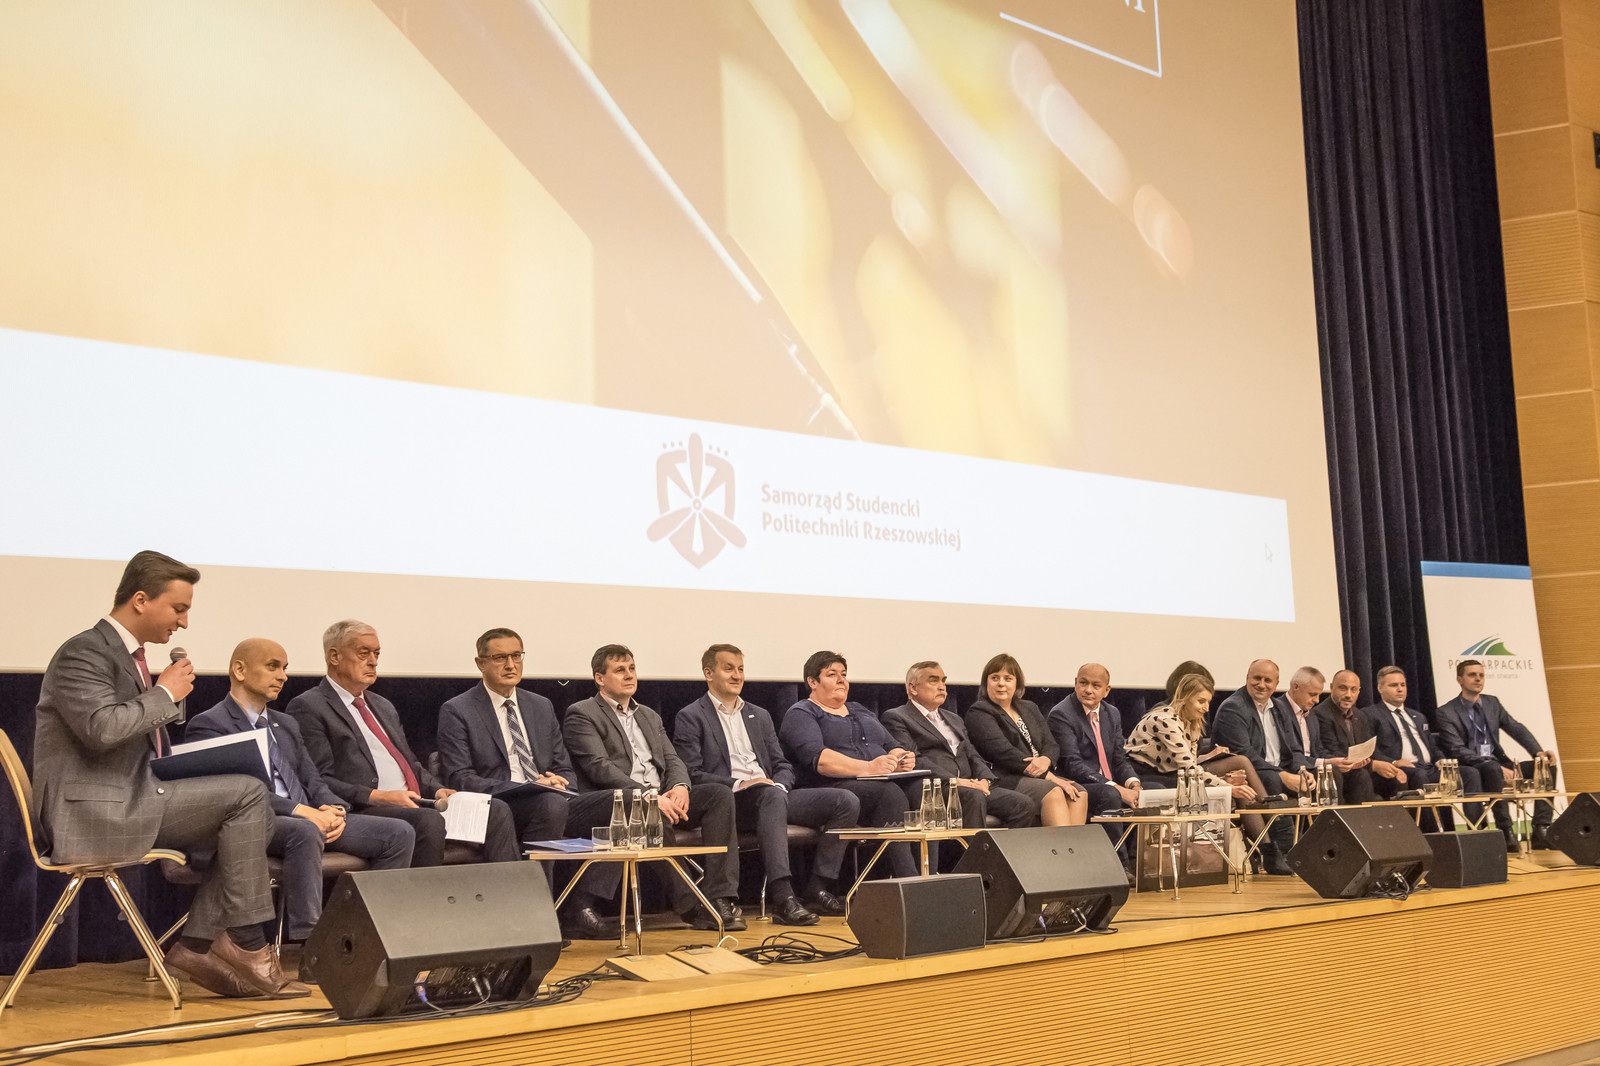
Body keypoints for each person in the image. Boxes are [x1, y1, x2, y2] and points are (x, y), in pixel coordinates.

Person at [33, 551, 303, 999]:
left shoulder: (125, 656)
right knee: (249, 797)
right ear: (141, 600)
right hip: (91, 813)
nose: (184, 622)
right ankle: (243, 943)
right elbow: (101, 730)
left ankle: (198, 945)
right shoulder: (83, 651)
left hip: (130, 795)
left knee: (250, 811)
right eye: (178, 609)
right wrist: (163, 693)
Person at [186, 639, 415, 960]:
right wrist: (303, 812)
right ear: (239, 670)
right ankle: (315, 948)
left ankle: (365, 938)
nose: (283, 676)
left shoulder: (286, 724)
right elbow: (234, 793)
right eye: (272, 666)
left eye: (285, 668)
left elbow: (312, 779)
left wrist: (333, 808)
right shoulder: (210, 724)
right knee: (303, 831)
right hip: (253, 825)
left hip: (308, 818)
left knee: (398, 834)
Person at [285, 620, 521, 867]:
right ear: (334, 656)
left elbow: (410, 764)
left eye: (376, 654)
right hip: (364, 808)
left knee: (495, 811)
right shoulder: (309, 706)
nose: (373, 662)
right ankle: (425, 893)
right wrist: (377, 796)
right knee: (428, 821)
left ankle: (510, 892)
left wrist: (438, 789)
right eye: (364, 653)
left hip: (414, 801)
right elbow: (317, 779)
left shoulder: (382, 705)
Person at [434, 627, 622, 938]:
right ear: (481, 663)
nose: (511, 664)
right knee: (549, 804)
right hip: (502, 804)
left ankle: (581, 906)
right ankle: (538, 920)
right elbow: (460, 777)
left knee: (623, 801)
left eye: (516, 656)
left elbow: (565, 768)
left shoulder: (540, 706)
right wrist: (526, 788)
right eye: (500, 658)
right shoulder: (458, 710)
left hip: (550, 801)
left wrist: (558, 780)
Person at [563, 644, 744, 932]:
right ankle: (691, 905)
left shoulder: (648, 715)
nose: (629, 675)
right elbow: (598, 767)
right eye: (619, 670)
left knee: (718, 795)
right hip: (614, 800)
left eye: (632, 669)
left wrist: (680, 786)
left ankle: (719, 897)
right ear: (599, 678)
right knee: (646, 810)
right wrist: (649, 795)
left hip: (660, 795)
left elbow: (672, 759)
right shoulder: (582, 713)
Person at [673, 644, 857, 925]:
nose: (737, 676)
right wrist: (741, 783)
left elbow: (782, 764)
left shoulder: (759, 715)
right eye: (728, 669)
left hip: (772, 795)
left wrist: (780, 785)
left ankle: (817, 887)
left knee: (845, 801)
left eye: (740, 669)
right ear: (708, 674)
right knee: (768, 796)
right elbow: (693, 774)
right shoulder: (691, 715)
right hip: (730, 801)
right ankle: (783, 896)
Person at [1126, 673, 1288, 874]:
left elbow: (1190, 764)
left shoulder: (1192, 722)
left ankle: (1269, 847)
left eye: (1208, 702)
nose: (1206, 708)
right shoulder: (1164, 720)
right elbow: (1189, 769)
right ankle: (1271, 837)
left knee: (1239, 768)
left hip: (1173, 774)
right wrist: (1226, 787)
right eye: (1201, 701)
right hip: (1142, 774)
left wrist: (1221, 779)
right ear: (1185, 698)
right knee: (1236, 782)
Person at [778, 650, 920, 879]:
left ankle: (930, 872)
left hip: (875, 783)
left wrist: (901, 758)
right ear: (812, 682)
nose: (841, 680)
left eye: (843, 674)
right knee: (889, 794)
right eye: (831, 674)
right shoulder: (802, 713)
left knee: (921, 789)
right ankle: (909, 879)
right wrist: (869, 768)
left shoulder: (859, 710)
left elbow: (891, 744)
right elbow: (820, 760)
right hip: (827, 787)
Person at [882, 661, 1037, 840]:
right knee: (974, 797)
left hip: (970, 785)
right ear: (913, 688)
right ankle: (973, 857)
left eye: (943, 681)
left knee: (1023, 804)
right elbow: (915, 759)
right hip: (936, 788)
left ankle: (1001, 857)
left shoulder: (954, 718)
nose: (942, 686)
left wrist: (985, 780)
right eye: (933, 681)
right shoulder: (897, 717)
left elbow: (972, 754)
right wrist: (957, 781)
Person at [1436, 659, 1560, 848]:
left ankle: (1541, 828)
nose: (1478, 679)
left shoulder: (1491, 702)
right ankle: (1505, 830)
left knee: (1546, 767)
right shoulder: (1446, 712)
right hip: (1473, 767)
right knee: (1493, 768)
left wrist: (1538, 753)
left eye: (1481, 675)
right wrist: (1496, 767)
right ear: (1459, 679)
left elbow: (1516, 728)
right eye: (1472, 675)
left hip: (1499, 762)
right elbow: (1456, 749)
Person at [962, 653, 1088, 827]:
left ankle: (1072, 845)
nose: (1001, 683)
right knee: (1054, 792)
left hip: (1038, 775)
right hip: (1006, 778)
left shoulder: (1029, 707)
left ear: (1017, 683)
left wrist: (1046, 759)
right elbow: (1005, 753)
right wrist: (1050, 777)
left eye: (1008, 678)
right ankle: (1057, 846)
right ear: (986, 683)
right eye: (995, 678)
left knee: (1079, 794)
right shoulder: (979, 712)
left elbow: (1051, 744)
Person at [1358, 665, 1474, 832]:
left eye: (1402, 685)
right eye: (1393, 685)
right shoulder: (1370, 714)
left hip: (1428, 767)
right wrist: (1394, 762)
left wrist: (1440, 759)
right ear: (1380, 688)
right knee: (1419, 775)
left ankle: (1476, 829)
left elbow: (1432, 747)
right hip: (1402, 769)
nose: (1400, 689)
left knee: (1469, 774)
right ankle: (1431, 834)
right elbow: (1370, 749)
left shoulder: (1418, 716)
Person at [1048, 663, 1142, 835]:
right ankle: (1116, 853)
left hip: (1109, 782)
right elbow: (1073, 765)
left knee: (1152, 790)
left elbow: (1119, 759)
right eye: (1083, 683)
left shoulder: (1112, 713)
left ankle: (1138, 851)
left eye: (1096, 685)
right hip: (1079, 784)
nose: (1088, 690)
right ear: (1075, 683)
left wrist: (1134, 785)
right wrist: (1118, 789)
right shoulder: (1061, 714)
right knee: (1110, 794)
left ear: (1106, 690)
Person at [1311, 670, 1378, 803]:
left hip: (1355, 770)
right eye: (1343, 688)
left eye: (1353, 690)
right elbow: (1329, 750)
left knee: (1365, 774)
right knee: (1361, 775)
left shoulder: (1360, 715)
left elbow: (1365, 746)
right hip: (1335, 768)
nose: (1348, 695)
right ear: (1331, 687)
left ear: (1358, 691)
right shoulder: (1320, 714)